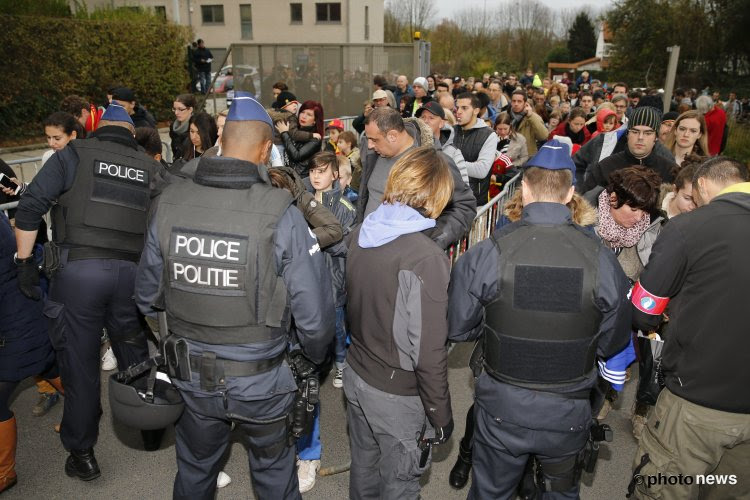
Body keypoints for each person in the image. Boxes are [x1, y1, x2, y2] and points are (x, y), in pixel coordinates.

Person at [134, 92, 335, 500]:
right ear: (265, 149)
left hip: (191, 376)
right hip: (263, 380)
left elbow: (144, 296)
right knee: (274, 474)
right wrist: (307, 360)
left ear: (222, 142)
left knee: (195, 472)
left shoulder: (169, 200)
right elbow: (315, 316)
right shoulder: (282, 211)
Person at [448, 140, 631, 499]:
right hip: (569, 411)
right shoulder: (602, 259)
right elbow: (613, 341)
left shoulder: (489, 251)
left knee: (490, 492)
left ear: (525, 189)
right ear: (571, 194)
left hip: (502, 407)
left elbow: (458, 326)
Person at [12, 103, 166, 481]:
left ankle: (83, 454)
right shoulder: (150, 166)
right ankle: (149, 426)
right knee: (133, 351)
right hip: (131, 277)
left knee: (80, 364)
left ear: (97, 128)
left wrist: (25, 263)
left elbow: (30, 208)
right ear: (131, 134)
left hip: (78, 275)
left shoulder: (73, 155)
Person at [628, 157, 750, 500]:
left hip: (696, 403)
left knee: (662, 489)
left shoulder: (689, 227)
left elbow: (642, 309)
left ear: (702, 186)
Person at [345, 145, 455, 500]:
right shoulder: (425, 258)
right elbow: (428, 350)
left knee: (365, 470)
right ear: (436, 195)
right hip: (396, 396)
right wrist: (440, 413)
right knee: (400, 486)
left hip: (357, 374)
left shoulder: (363, 230)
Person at [295, 151, 356, 493]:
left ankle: (341, 362)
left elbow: (342, 248)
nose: (316, 176)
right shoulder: (297, 204)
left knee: (337, 330)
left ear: (335, 175)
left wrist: (312, 240)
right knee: (304, 370)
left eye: (323, 171)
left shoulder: (344, 209)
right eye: (312, 171)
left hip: (331, 287)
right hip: (304, 291)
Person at [0, 210, 65, 494]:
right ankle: (85, 412)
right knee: (49, 366)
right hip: (24, 309)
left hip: (16, 319)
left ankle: (5, 473)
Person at [358, 107, 476, 250]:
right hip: (367, 245)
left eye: (373, 140)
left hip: (405, 256)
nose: (369, 145)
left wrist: (433, 241)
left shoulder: (434, 162)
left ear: (392, 136)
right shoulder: (374, 153)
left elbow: (464, 205)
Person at [582, 106, 678, 194]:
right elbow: (586, 202)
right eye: (635, 132)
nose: (640, 137)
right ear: (627, 134)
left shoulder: (670, 171)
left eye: (648, 133)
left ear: (656, 137)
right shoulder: (605, 167)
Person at [453, 93, 498, 204]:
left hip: (474, 201)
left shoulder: (489, 135)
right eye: (457, 107)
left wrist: (450, 163)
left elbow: (481, 170)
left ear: (476, 111)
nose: (458, 111)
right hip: (449, 198)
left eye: (464, 108)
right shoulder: (450, 131)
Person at [415, 101, 469, 186]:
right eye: (423, 117)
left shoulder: (453, 153)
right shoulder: (412, 147)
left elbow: (464, 186)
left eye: (431, 118)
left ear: (441, 123)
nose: (425, 121)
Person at [277, 100, 324, 178]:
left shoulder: (315, 139)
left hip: (300, 180)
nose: (304, 116)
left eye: (309, 114)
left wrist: (284, 133)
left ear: (315, 120)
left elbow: (296, 156)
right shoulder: (295, 131)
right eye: (302, 112)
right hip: (289, 176)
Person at [509, 90, 548, 156]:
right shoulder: (505, 116)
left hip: (527, 157)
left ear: (525, 103)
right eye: (514, 101)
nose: (516, 104)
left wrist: (531, 116)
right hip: (508, 155)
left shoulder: (533, 117)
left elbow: (543, 136)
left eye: (519, 101)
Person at [170, 94, 196, 161]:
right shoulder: (173, 126)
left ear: (190, 109)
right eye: (174, 109)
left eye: (180, 109)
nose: (176, 113)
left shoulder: (196, 126)